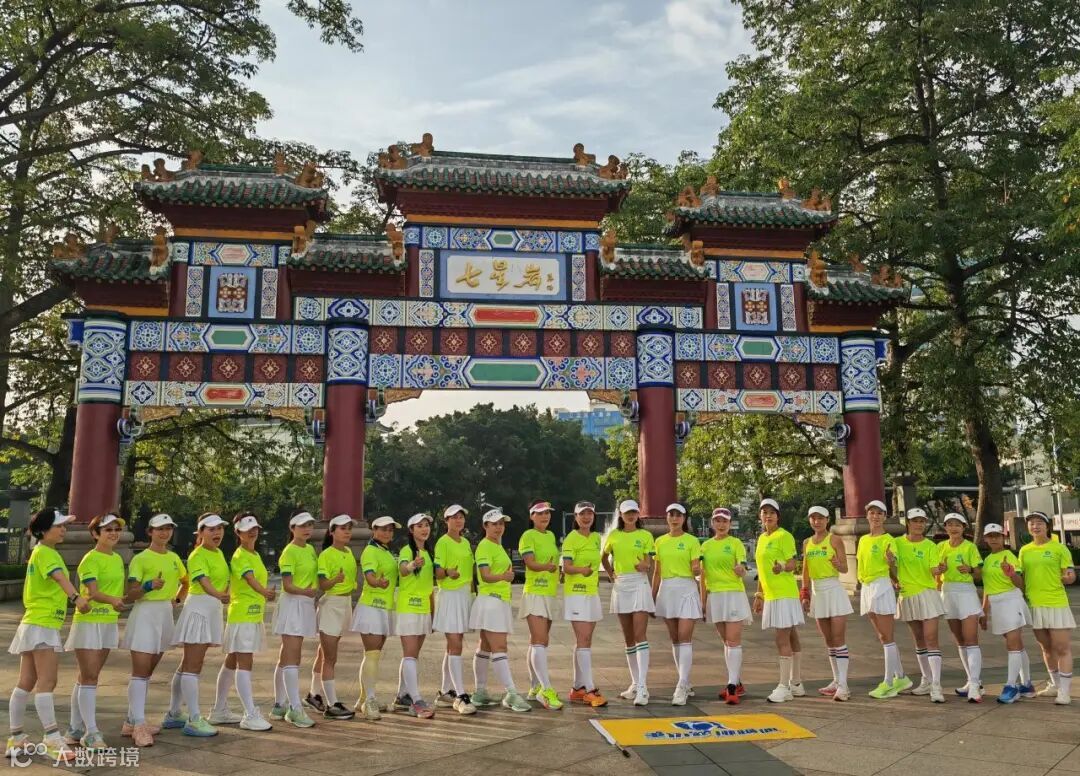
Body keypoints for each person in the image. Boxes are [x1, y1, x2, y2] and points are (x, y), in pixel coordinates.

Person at [6, 509, 88, 763]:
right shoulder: (47, 553)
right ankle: (52, 738)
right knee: (47, 682)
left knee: (26, 681)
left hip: (34, 622)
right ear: (43, 530)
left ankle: (16, 738)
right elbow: (59, 577)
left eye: (64, 526)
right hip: (42, 623)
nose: (63, 530)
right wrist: (76, 597)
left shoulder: (40, 551)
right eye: (58, 526)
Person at [122, 513, 188, 747]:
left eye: (168, 528)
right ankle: (139, 725)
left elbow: (186, 581)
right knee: (140, 672)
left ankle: (131, 720)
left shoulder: (174, 558)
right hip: (145, 614)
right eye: (160, 529)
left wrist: (177, 599)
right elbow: (131, 594)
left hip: (164, 614)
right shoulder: (141, 559)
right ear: (150, 532)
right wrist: (149, 586)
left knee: (148, 671)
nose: (164, 533)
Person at [63, 513, 126, 753]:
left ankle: (74, 729)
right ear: (95, 534)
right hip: (89, 622)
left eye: (116, 529)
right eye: (108, 529)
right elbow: (93, 592)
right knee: (89, 677)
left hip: (108, 621)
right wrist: (113, 601)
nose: (113, 533)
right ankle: (91, 732)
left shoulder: (117, 558)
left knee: (87, 676)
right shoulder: (89, 559)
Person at [164, 513, 230, 737]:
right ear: (200, 532)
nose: (217, 532)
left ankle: (174, 713)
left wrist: (223, 595)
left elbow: (221, 581)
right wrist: (220, 595)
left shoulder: (219, 553)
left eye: (220, 528)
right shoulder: (197, 555)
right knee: (193, 665)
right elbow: (204, 581)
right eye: (211, 529)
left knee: (187, 665)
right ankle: (193, 719)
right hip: (199, 611)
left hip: (210, 609)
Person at [212, 513, 275, 731]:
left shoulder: (255, 554)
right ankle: (249, 713)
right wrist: (265, 592)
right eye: (248, 529)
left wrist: (264, 594)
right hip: (243, 615)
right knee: (245, 663)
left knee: (232, 661)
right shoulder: (240, 556)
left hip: (252, 615)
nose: (253, 532)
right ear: (238, 532)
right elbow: (250, 579)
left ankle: (218, 710)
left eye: (255, 528)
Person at [469, 508, 530, 712]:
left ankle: (479, 692)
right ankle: (511, 693)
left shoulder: (497, 545)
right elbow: (485, 575)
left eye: (501, 524)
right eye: (494, 524)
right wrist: (503, 577)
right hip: (492, 601)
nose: (499, 527)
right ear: (485, 526)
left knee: (485, 646)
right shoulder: (485, 546)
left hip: (497, 601)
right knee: (500, 647)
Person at [601, 499, 655, 706]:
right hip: (621, 584)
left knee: (640, 635)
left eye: (634, 512)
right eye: (627, 513)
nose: (631, 516)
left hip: (639, 583)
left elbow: (649, 562)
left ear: (638, 514)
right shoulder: (614, 535)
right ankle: (634, 683)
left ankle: (643, 686)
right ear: (621, 515)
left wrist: (645, 565)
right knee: (628, 638)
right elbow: (604, 557)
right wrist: (611, 574)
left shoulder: (645, 535)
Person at [1019, 511, 1075, 705]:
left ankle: (1065, 692)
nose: (1035, 526)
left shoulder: (1060, 548)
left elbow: (1070, 574)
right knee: (1046, 648)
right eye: (1032, 523)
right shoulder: (1024, 551)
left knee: (1062, 648)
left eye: (1039, 523)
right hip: (1035, 604)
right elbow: (1021, 578)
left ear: (1047, 526)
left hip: (1056, 603)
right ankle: (1055, 685)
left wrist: (1068, 578)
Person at [856, 500, 911, 699]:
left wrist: (891, 562)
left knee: (887, 636)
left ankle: (888, 682)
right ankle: (901, 677)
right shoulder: (863, 540)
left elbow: (893, 563)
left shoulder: (889, 540)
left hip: (881, 585)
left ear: (885, 517)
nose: (876, 516)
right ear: (867, 516)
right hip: (867, 587)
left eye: (880, 513)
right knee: (882, 636)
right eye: (872, 512)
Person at [268, 511, 319, 728]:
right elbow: (287, 585)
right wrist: (306, 592)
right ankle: (295, 708)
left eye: (309, 525)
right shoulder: (289, 552)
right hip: (293, 605)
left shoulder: (310, 549)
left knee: (286, 656)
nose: (307, 529)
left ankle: (279, 705)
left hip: (305, 604)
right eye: (302, 525)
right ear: (292, 528)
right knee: (292, 657)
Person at [753, 498, 805, 703]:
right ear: (760, 516)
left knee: (782, 638)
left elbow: (792, 563)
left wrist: (781, 567)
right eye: (764, 512)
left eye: (772, 512)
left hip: (784, 593)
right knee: (791, 636)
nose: (768, 516)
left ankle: (784, 686)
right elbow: (761, 570)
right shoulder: (761, 538)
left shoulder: (784, 536)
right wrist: (759, 595)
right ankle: (797, 683)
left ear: (778, 516)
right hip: (771, 594)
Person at [305, 514, 357, 719]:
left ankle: (313, 694)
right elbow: (323, 584)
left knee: (323, 653)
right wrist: (336, 579)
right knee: (330, 657)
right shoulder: (326, 555)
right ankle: (332, 704)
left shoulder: (349, 552)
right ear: (332, 532)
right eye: (342, 528)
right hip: (331, 605)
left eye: (349, 528)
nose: (347, 532)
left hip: (345, 604)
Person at [800, 506, 853, 701]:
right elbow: (805, 570)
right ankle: (836, 680)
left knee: (838, 639)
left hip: (833, 590)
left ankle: (844, 686)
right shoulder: (807, 542)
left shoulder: (835, 539)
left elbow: (845, 568)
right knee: (829, 640)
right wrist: (805, 593)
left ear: (827, 520)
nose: (817, 521)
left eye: (820, 518)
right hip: (817, 592)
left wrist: (838, 565)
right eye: (813, 518)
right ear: (810, 520)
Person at [894, 508, 946, 703]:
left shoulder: (930, 546)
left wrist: (939, 569)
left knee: (931, 639)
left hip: (927, 594)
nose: (919, 524)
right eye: (915, 521)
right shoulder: (897, 543)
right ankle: (926, 680)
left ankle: (936, 685)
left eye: (922, 521)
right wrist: (893, 578)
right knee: (919, 640)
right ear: (908, 523)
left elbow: (933, 569)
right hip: (907, 595)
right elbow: (891, 564)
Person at [652, 503, 702, 706]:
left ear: (684, 518)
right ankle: (686, 680)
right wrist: (652, 597)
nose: (674, 518)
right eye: (671, 515)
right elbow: (657, 571)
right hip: (667, 589)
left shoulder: (692, 541)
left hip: (686, 588)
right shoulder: (660, 542)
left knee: (684, 636)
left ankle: (681, 685)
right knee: (675, 638)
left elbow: (696, 566)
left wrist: (697, 570)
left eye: (678, 515)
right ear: (667, 517)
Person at [700, 507, 751, 705]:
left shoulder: (735, 543)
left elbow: (743, 566)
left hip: (733, 594)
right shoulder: (705, 547)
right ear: (712, 523)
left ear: (730, 524)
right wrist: (703, 601)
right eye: (718, 521)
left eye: (725, 521)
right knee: (726, 641)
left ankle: (731, 686)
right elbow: (703, 576)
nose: (721, 524)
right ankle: (736, 682)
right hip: (715, 595)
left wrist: (741, 570)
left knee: (733, 641)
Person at [350, 515, 399, 720]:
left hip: (384, 608)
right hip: (371, 607)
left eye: (390, 529)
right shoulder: (370, 551)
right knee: (372, 654)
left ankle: (364, 698)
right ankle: (369, 700)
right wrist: (377, 583)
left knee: (372, 655)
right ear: (374, 530)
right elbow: (370, 577)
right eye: (383, 529)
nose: (387, 533)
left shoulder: (385, 551)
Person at [981, 523, 1034, 703]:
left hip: (1011, 601)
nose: (994, 539)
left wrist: (1011, 574)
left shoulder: (1009, 556)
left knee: (1013, 644)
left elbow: (1020, 584)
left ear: (1003, 537)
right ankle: (1027, 684)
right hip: (997, 605)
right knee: (1016, 644)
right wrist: (984, 611)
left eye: (997, 535)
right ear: (985, 538)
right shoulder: (988, 559)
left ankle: (1011, 686)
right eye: (990, 536)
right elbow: (987, 587)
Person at [432, 504, 477, 715]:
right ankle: (460, 695)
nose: (458, 520)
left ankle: (445, 692)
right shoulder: (442, 542)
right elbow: (437, 571)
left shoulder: (466, 542)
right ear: (446, 521)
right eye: (454, 517)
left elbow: (471, 572)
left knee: (453, 645)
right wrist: (447, 572)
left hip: (464, 595)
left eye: (461, 517)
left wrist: (473, 595)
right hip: (449, 595)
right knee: (455, 644)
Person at [562, 501, 607, 708]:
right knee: (583, 640)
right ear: (576, 517)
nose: (586, 517)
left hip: (591, 593)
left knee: (584, 641)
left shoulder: (597, 538)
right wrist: (582, 571)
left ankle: (577, 687)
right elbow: (566, 567)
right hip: (576, 594)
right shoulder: (571, 538)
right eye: (582, 514)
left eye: (590, 513)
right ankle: (589, 689)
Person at [519, 500, 563, 710]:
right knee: (539, 640)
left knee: (539, 642)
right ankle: (546, 689)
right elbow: (530, 563)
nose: (545, 516)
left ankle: (534, 686)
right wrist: (547, 567)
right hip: (535, 592)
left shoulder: (551, 536)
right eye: (540, 513)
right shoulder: (528, 536)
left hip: (549, 593)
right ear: (532, 516)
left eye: (547, 513)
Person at [936, 512, 985, 702]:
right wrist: (939, 571)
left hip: (966, 593)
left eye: (957, 524)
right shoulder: (940, 547)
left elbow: (979, 573)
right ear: (945, 527)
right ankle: (972, 680)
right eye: (950, 524)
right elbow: (935, 572)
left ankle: (974, 685)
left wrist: (970, 570)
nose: (954, 528)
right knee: (959, 640)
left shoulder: (970, 547)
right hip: (948, 592)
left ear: (964, 527)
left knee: (971, 638)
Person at [395, 514, 436, 718]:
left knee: (413, 656)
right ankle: (417, 700)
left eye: (426, 525)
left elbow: (429, 586)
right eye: (419, 526)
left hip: (423, 609)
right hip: (409, 608)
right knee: (410, 655)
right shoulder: (407, 550)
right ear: (411, 530)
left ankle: (402, 695)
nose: (424, 529)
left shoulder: (429, 552)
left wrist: (433, 612)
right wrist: (412, 565)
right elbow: (402, 570)